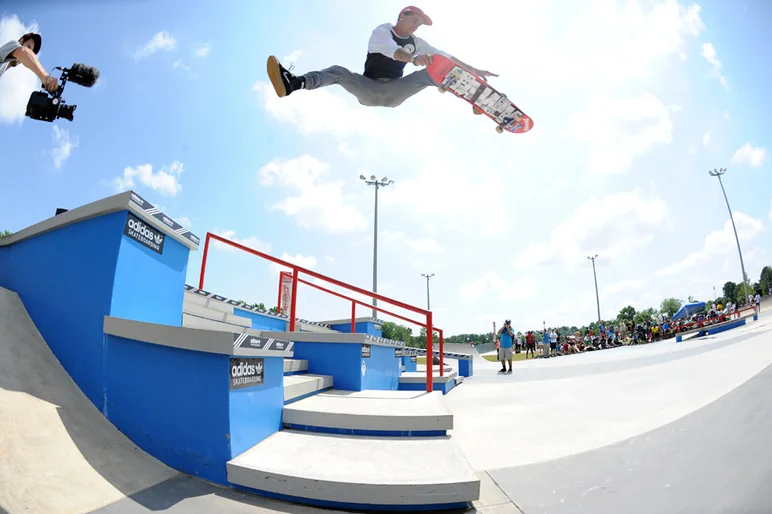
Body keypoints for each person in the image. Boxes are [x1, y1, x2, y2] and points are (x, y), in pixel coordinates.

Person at [265, 6, 497, 113]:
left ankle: (477, 99)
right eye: (414, 20)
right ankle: (293, 83)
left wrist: (475, 70)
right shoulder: (382, 31)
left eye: (419, 23)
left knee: (435, 71)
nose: (416, 25)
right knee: (338, 71)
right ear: (402, 16)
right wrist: (415, 59)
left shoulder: (419, 42)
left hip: (397, 92)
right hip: (369, 89)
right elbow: (396, 53)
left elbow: (447, 58)